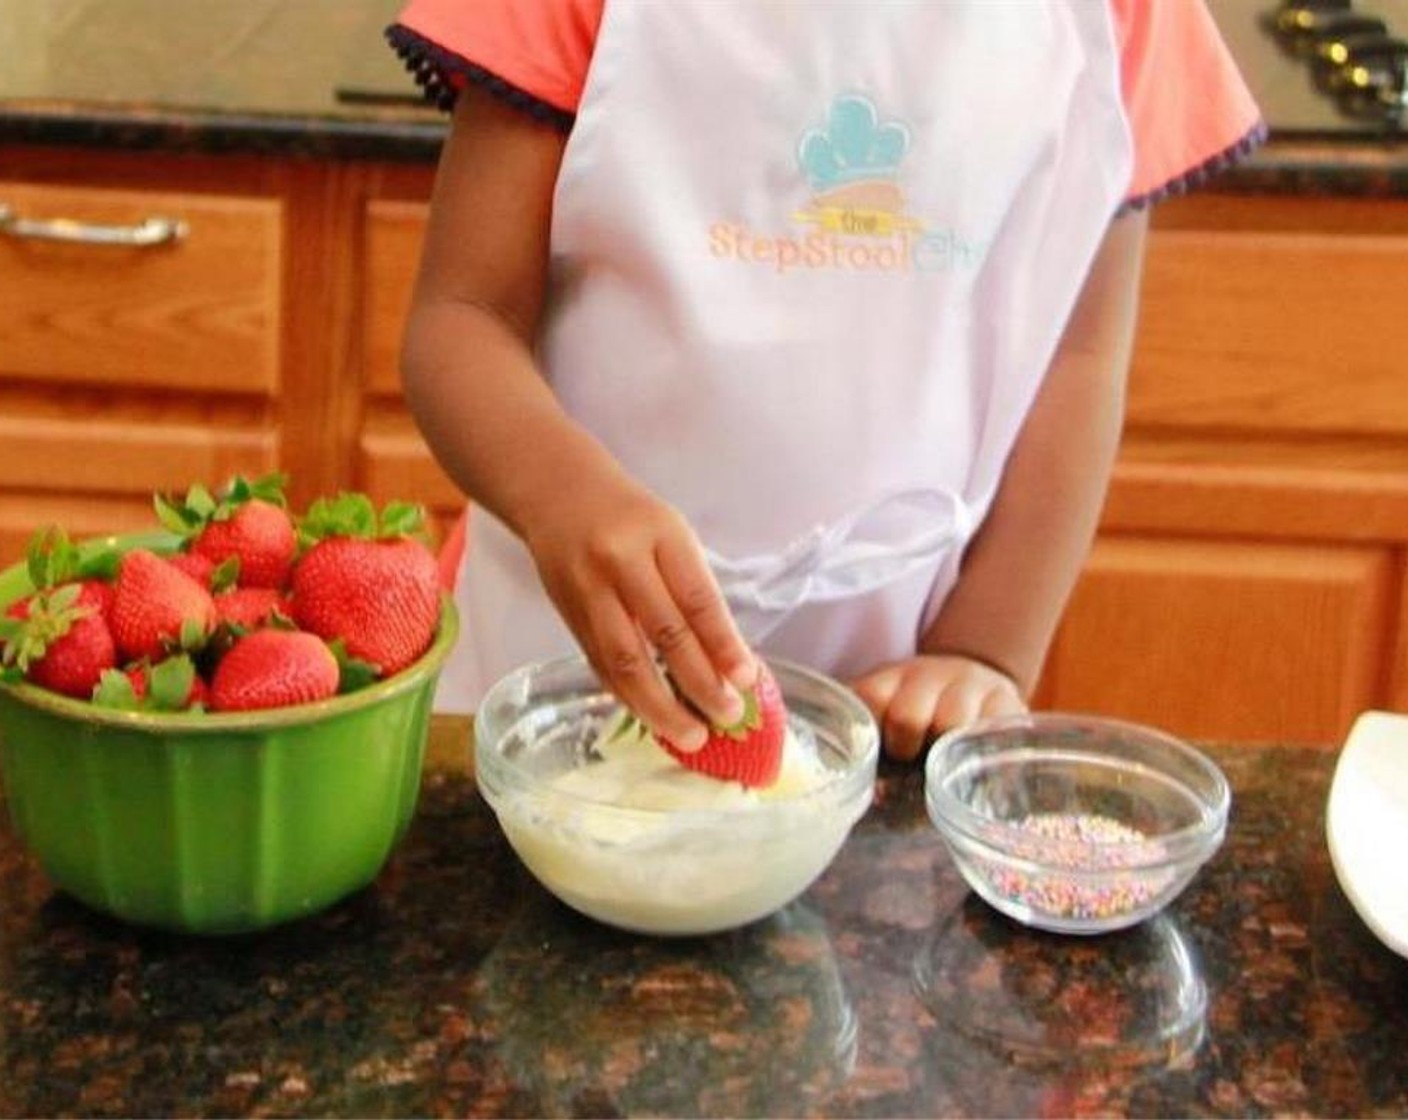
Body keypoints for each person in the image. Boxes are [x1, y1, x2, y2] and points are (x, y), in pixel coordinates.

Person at [387, 0, 1262, 760]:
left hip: (885, 716)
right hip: (546, 675)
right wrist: (564, 502)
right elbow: (463, 318)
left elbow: (1078, 356)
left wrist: (987, 651)